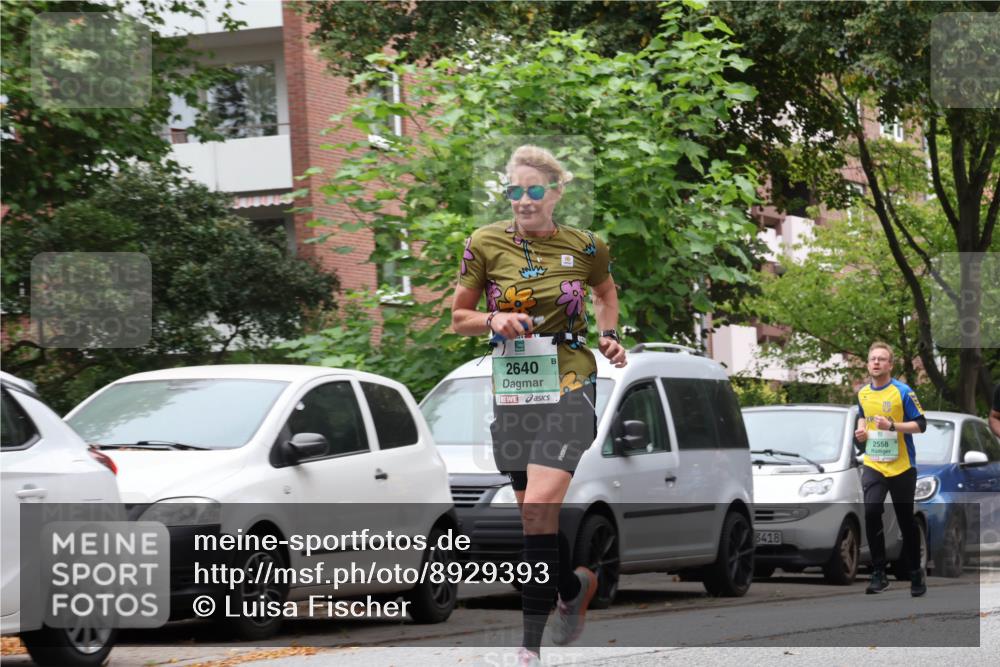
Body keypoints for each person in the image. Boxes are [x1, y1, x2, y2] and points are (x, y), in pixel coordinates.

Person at [451, 145, 626, 666]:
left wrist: (610, 334)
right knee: (533, 521)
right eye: (514, 191)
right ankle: (572, 588)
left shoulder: (587, 246)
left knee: (538, 504)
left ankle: (528, 649)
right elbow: (458, 316)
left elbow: (606, 292)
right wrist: (492, 320)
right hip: (516, 390)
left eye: (533, 191)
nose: (523, 201)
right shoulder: (483, 244)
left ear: (555, 193)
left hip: (572, 380)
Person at [853, 341, 928, 597]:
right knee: (872, 512)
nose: (876, 362)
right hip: (874, 462)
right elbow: (864, 415)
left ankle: (916, 573)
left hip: (902, 465)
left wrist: (893, 426)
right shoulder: (863, 393)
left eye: (882, 359)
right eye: (872, 358)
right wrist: (862, 431)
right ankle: (878, 573)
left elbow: (921, 425)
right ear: (867, 363)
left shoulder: (903, 391)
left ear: (890, 365)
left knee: (906, 520)